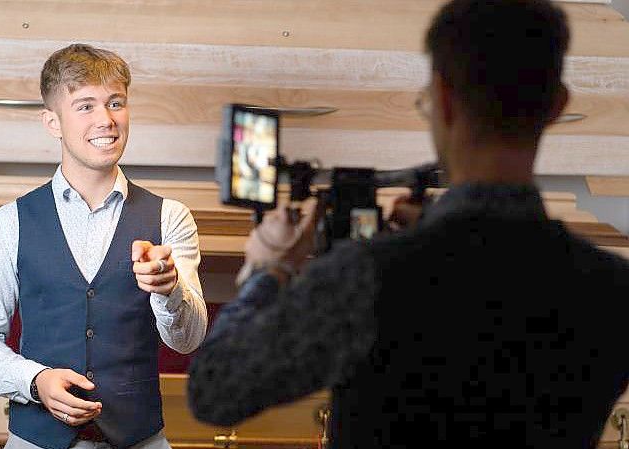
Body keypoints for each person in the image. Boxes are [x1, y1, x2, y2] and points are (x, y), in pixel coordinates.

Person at [187, 1, 629, 448]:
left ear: (442, 98)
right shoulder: (613, 288)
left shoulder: (367, 277)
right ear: (557, 105)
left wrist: (270, 270)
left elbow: (215, 390)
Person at [0, 44, 208, 449]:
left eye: (115, 103)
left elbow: (187, 340)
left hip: (140, 439)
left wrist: (170, 288)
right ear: (52, 122)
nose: (106, 120)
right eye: (85, 106)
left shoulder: (170, 217)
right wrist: (35, 381)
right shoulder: (8, 223)